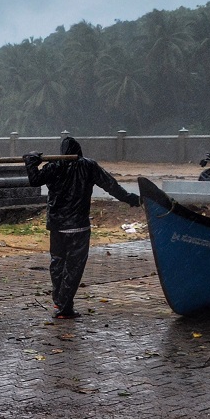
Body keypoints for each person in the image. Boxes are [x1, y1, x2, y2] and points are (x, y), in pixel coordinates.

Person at [24, 136, 140, 320]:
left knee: (57, 263)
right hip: (78, 227)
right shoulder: (88, 166)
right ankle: (63, 306)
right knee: (73, 267)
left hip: (57, 226)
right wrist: (130, 199)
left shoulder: (54, 166)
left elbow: (34, 179)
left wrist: (30, 162)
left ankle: (61, 303)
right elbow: (111, 185)